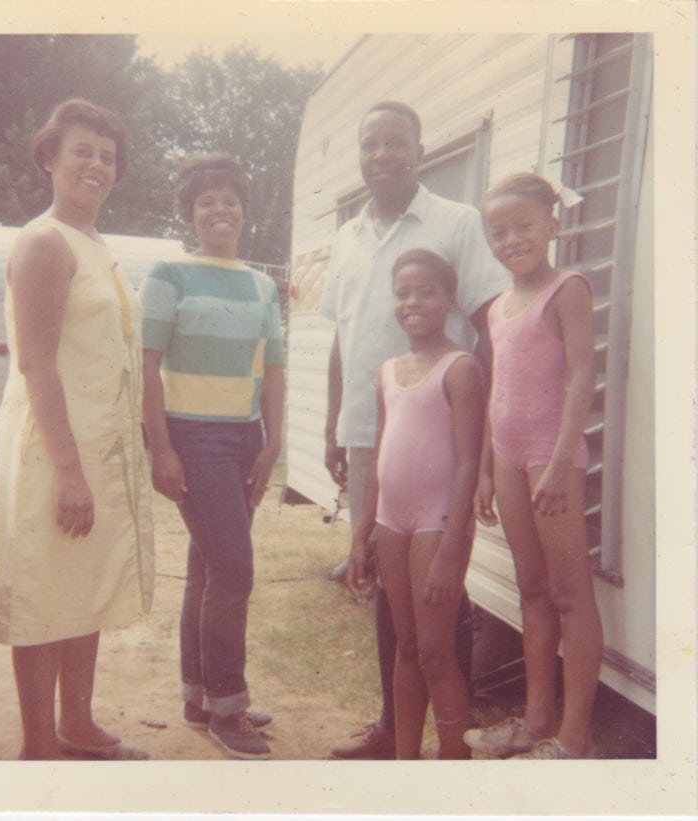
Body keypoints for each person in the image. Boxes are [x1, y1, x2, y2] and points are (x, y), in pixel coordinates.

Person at [321, 100, 510, 760]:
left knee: (439, 602)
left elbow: (491, 327)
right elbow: (342, 337)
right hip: (373, 430)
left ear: (420, 149)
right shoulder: (347, 235)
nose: (381, 155)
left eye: (394, 142)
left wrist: (482, 447)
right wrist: (332, 423)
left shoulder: (456, 222)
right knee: (389, 598)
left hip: (441, 435)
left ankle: (449, 747)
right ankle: (391, 730)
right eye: (369, 143)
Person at [0, 99, 154, 760]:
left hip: (97, 449)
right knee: (42, 590)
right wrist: (67, 468)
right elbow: (34, 362)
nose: (96, 164)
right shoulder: (42, 241)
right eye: (82, 151)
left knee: (80, 586)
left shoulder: (93, 243)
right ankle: (40, 744)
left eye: (107, 156)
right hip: (53, 451)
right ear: (50, 159)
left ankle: (78, 723)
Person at [140, 153, 285, 761]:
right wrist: (161, 448)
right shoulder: (168, 273)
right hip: (192, 440)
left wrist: (273, 443)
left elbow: (274, 370)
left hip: (244, 438)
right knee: (234, 571)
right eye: (207, 201)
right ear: (190, 213)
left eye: (230, 200)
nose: (220, 210)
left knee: (208, 566)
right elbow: (145, 365)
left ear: (244, 213)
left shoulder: (262, 284)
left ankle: (200, 697)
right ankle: (230, 708)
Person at [465, 172, 603, 759]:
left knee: (570, 595)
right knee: (531, 589)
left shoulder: (568, 287)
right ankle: (535, 718)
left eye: (524, 226)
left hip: (554, 460)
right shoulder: (497, 307)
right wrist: (486, 471)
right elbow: (498, 389)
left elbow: (580, 375)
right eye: (498, 231)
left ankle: (572, 739)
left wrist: (557, 461)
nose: (512, 239)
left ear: (552, 224)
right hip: (509, 457)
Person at [348, 249, 484, 759]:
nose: (412, 302)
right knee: (406, 649)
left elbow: (470, 463)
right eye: (403, 292)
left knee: (433, 650)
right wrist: (362, 532)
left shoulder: (460, 368)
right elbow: (381, 454)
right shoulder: (388, 371)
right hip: (391, 522)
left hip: (436, 525)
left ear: (450, 300)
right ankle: (406, 763)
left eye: (426, 291)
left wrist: (454, 546)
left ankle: (453, 760)